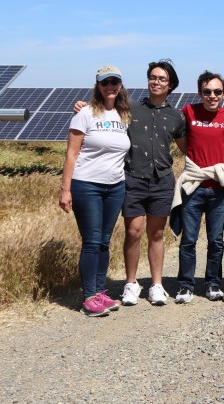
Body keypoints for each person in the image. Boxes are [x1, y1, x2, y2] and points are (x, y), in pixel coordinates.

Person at [60, 65, 131, 317]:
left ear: (120, 86)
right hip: (86, 185)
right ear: (98, 86)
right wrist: (65, 189)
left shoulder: (124, 115)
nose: (110, 86)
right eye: (105, 83)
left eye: (114, 82)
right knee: (91, 241)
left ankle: (100, 292)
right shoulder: (85, 113)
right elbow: (71, 153)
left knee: (104, 240)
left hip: (115, 187)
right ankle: (89, 296)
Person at [120, 60, 187, 305]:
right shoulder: (129, 109)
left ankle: (156, 285)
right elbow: (102, 115)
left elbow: (187, 148)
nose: (156, 82)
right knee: (133, 232)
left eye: (162, 79)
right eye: (153, 77)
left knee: (156, 233)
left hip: (161, 181)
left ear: (170, 85)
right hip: (133, 178)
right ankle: (131, 284)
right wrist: (83, 107)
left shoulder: (176, 116)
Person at [171, 71, 224, 304]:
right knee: (189, 239)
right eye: (207, 92)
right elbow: (174, 131)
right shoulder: (188, 111)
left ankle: (213, 283)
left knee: (216, 240)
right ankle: (186, 285)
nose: (212, 96)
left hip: (218, 188)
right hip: (193, 187)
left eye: (217, 92)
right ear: (200, 93)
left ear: (223, 93)